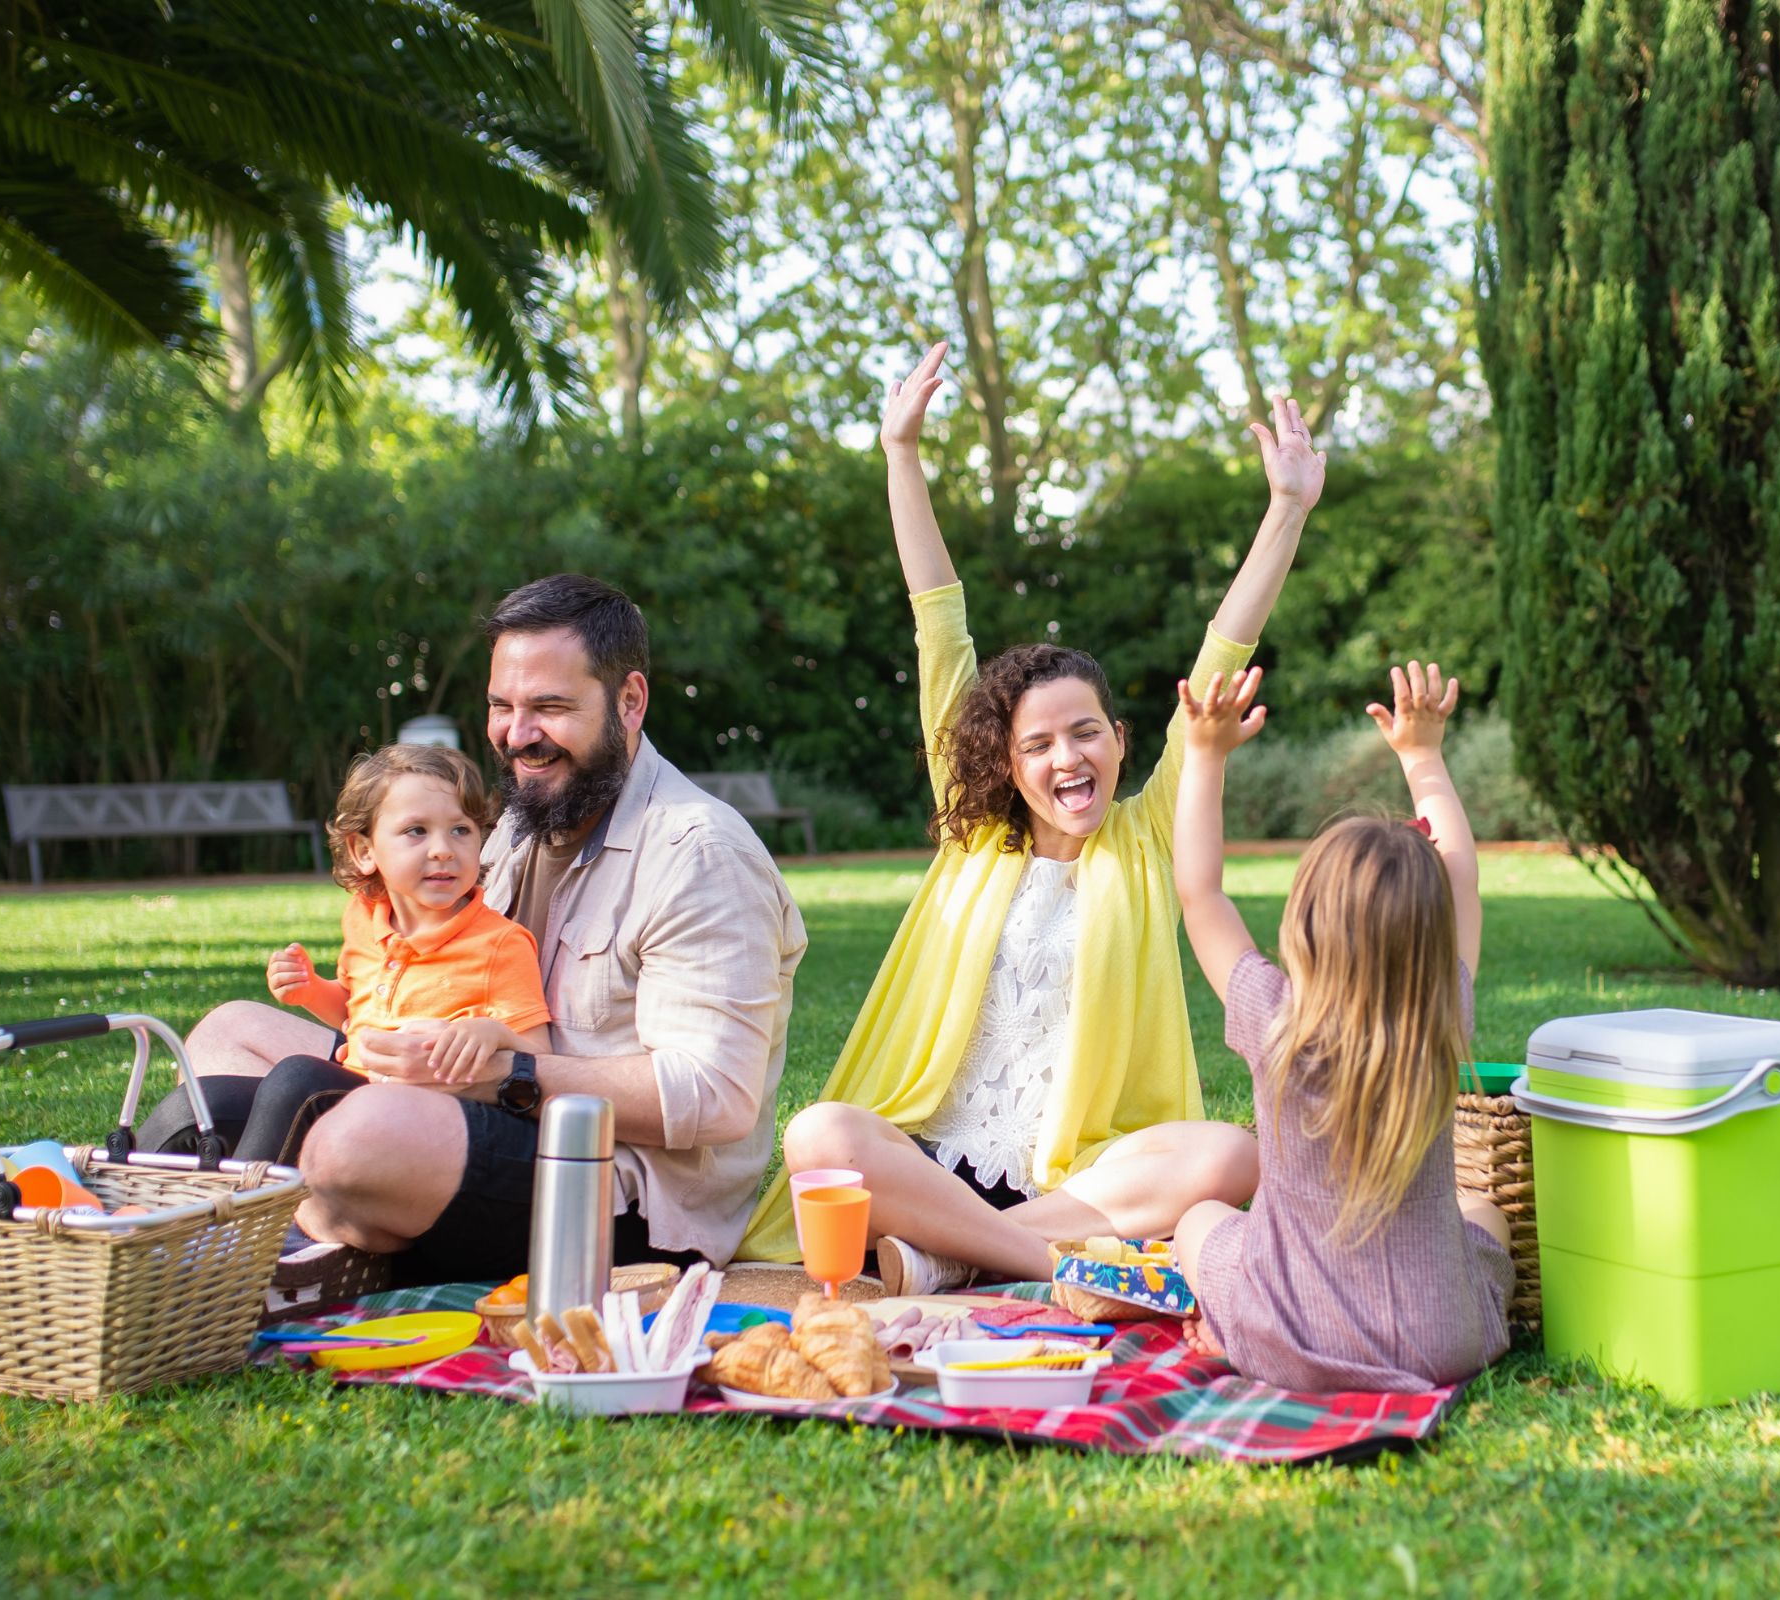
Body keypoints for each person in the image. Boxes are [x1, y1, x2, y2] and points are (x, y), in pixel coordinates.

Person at [737, 339, 1325, 1293]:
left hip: (1079, 1179)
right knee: (821, 1134)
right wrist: (901, 454)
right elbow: (939, 619)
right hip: (932, 1158)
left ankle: (943, 1258)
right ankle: (1040, 1263)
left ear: (1123, 741)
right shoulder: (974, 832)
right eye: (1038, 745)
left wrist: (1286, 510)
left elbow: (1222, 655)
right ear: (1004, 766)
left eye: (1085, 734)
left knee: (1229, 1156)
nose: (1067, 758)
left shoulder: (1146, 838)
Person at [148, 575, 806, 1292]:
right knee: (226, 1035)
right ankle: (244, 1224)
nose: (519, 735)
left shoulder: (698, 852)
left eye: (549, 707)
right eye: (502, 706)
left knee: (350, 1140)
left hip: (615, 1191)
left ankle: (272, 1249)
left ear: (629, 701)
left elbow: (715, 1097)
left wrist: (508, 1076)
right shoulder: (521, 822)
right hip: (461, 1099)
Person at [1167, 659, 1513, 1391]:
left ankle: (1224, 1328)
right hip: (1439, 1341)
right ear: (1431, 935)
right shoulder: (1440, 1011)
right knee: (1483, 1209)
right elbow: (1462, 879)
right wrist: (1422, 756)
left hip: (1287, 1335)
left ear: (1306, 924)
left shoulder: (1274, 1018)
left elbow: (1199, 896)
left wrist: (1204, 756)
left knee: (1199, 1220)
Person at [198, 742, 553, 1170]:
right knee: (209, 1099)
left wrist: (491, 1034)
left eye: (461, 829)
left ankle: (236, 1222)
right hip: (356, 1091)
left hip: (426, 1121)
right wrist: (311, 991)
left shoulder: (499, 944)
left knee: (298, 1079)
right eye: (417, 831)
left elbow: (540, 1052)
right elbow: (353, 1011)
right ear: (364, 851)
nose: (443, 849)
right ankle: (138, 1206)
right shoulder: (364, 918)